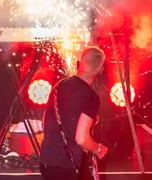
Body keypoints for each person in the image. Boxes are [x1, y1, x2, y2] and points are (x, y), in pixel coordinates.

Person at [40, 46, 109, 180]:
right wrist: (98, 149)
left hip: (46, 161)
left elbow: (44, 123)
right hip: (66, 167)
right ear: (100, 70)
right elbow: (81, 139)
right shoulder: (91, 97)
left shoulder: (58, 86)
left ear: (78, 63)